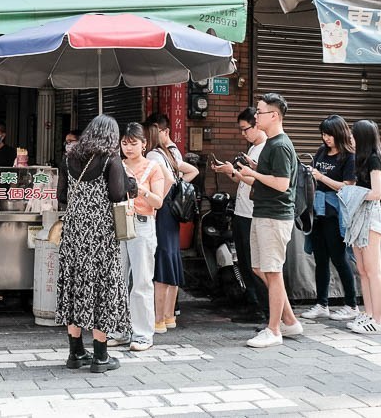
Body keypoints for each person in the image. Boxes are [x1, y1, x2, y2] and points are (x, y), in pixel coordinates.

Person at [55, 115, 131, 373]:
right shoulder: (111, 159)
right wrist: (131, 184)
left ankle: (75, 353)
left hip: (74, 231)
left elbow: (61, 195)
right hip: (100, 234)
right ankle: (100, 357)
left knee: (75, 285)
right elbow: (117, 194)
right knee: (101, 288)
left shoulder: (69, 158)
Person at [236, 93, 303, 348]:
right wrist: (254, 169)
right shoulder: (271, 144)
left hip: (275, 216)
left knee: (273, 272)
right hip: (263, 213)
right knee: (260, 269)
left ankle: (274, 330)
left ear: (274, 116)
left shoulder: (280, 145)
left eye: (260, 112)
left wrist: (253, 173)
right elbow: (270, 177)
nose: (256, 116)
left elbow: (282, 184)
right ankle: (289, 321)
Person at [108, 122, 165, 352]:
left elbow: (158, 202)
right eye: (124, 143)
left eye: (133, 143)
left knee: (141, 281)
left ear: (144, 144)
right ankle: (119, 330)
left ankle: (142, 334)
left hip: (142, 224)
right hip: (118, 222)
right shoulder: (115, 165)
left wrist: (140, 190)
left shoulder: (153, 168)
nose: (128, 148)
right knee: (117, 279)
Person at [299, 115, 360, 323]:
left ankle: (351, 305)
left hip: (336, 213)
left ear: (339, 133)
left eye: (329, 135)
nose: (326, 138)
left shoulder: (349, 156)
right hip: (317, 211)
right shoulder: (321, 151)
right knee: (320, 259)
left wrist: (321, 177)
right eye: (323, 134)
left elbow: (348, 186)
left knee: (339, 258)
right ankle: (321, 304)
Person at [211, 107, 268, 321]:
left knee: (255, 263)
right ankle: (252, 304)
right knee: (244, 261)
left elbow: (258, 181)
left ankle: (262, 308)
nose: (243, 134)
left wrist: (234, 171)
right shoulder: (252, 149)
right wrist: (229, 172)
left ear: (257, 124)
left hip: (254, 214)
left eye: (246, 129)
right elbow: (243, 180)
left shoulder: (266, 150)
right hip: (242, 212)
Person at [145, 123, 199, 334]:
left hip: (163, 212)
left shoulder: (152, 155)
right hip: (172, 213)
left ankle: (158, 319)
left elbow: (167, 179)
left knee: (163, 259)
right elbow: (192, 171)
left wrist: (160, 199)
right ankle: (168, 317)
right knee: (171, 257)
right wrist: (176, 190)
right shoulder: (169, 153)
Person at [345, 119, 381, 334]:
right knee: (363, 270)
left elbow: (377, 193)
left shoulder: (374, 159)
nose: (350, 139)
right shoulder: (360, 159)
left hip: (370, 216)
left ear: (362, 137)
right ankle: (369, 314)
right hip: (359, 216)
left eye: (353, 135)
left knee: (373, 271)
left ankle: (379, 321)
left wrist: (352, 192)